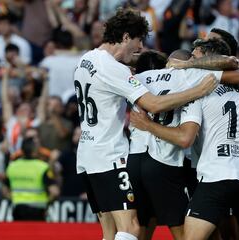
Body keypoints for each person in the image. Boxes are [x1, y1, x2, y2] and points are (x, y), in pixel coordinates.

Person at [73, 8, 220, 240]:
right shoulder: (114, 69)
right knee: (130, 228)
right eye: (138, 40)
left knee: (109, 232)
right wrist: (197, 90)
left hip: (87, 154)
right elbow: (153, 104)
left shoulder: (86, 59)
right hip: (110, 155)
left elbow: (126, 64)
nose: (140, 48)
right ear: (125, 37)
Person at [130, 39, 239, 240]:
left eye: (194, 54)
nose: (190, 57)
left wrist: (147, 125)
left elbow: (186, 137)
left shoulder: (198, 83)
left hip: (217, 174)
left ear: (205, 57)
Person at [3, 137, 60, 221]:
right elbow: (55, 192)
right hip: (37, 210)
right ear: (35, 151)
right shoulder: (43, 167)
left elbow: (4, 190)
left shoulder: (12, 166)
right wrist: (47, 203)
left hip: (18, 209)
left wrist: (15, 199)